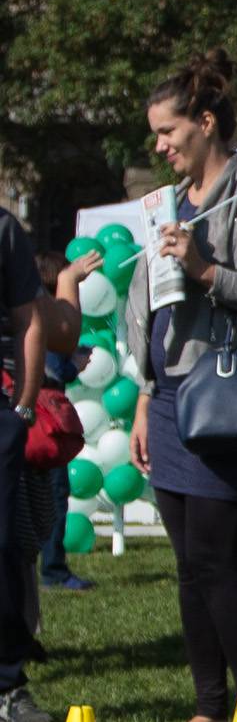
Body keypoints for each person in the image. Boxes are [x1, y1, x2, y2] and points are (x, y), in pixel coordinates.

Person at [124, 51, 237, 722]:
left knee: (215, 559)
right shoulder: (165, 204)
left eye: (169, 132)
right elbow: (149, 305)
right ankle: (207, 707)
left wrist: (205, 270)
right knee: (188, 564)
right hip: (168, 398)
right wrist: (143, 394)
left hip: (225, 400)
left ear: (205, 123)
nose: (161, 146)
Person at [0, 201, 48, 722]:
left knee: (3, 546)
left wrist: (23, 406)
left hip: (2, 410)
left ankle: (7, 685)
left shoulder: (3, 228)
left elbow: (28, 317)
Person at [35, 250, 95, 595]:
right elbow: (53, 370)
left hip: (32, 416)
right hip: (43, 420)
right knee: (55, 494)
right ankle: (53, 569)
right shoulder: (46, 313)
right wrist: (75, 364)